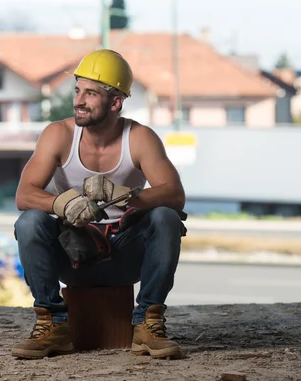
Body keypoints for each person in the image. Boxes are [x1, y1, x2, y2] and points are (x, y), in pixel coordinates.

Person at [11, 49, 187, 360]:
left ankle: (148, 322)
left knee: (166, 217)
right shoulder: (59, 134)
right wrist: (61, 203)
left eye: (90, 93)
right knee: (30, 222)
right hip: (73, 253)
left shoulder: (140, 138)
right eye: (77, 90)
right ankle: (53, 324)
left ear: (116, 102)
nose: (78, 100)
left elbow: (175, 194)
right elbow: (24, 195)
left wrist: (126, 195)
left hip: (125, 255)